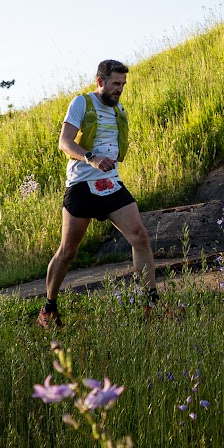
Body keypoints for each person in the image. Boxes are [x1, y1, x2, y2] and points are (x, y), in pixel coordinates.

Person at [38, 59, 157, 329]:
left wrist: (106, 163)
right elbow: (64, 142)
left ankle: (153, 305)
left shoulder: (119, 110)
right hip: (82, 185)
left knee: (140, 236)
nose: (120, 89)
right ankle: (48, 309)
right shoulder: (82, 103)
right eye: (115, 84)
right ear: (100, 81)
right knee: (68, 251)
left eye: (123, 85)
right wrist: (91, 158)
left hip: (110, 183)